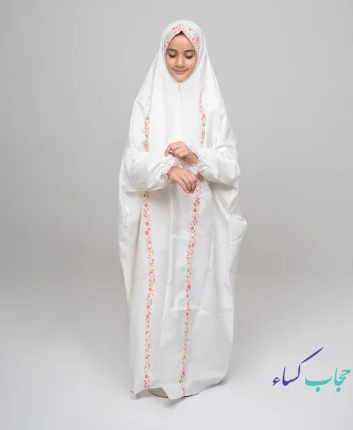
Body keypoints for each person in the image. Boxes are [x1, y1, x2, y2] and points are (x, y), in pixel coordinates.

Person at [118, 19, 247, 399]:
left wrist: (196, 158)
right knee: (156, 288)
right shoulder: (146, 102)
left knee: (196, 288)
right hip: (157, 215)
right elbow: (132, 162)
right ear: (162, 54)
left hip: (199, 219)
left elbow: (231, 165)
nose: (179, 62)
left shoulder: (211, 103)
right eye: (172, 54)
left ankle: (192, 372)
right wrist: (168, 170)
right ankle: (157, 373)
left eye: (189, 55)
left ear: (200, 55)